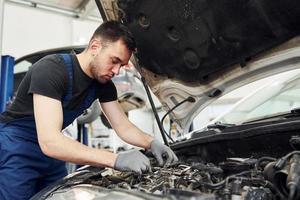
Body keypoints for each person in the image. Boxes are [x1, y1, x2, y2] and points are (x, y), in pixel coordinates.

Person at [0, 20, 178, 200]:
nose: (116, 71)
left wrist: (151, 142)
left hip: (52, 156)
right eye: (114, 61)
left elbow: (123, 126)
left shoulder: (103, 85)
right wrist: (115, 159)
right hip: (18, 147)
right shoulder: (51, 69)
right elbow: (50, 141)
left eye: (122, 65)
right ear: (95, 47)